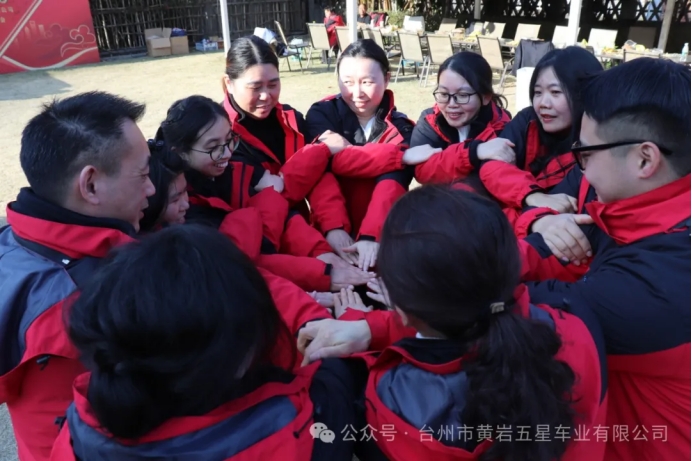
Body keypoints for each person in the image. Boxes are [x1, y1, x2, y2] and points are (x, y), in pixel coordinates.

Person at [298, 186, 607, 461]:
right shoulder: (576, 324)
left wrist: (358, 323)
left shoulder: (391, 396)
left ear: (401, 309)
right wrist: (371, 328)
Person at [50, 225, 357, 461]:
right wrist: (354, 322)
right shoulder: (301, 425)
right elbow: (338, 385)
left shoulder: (80, 428)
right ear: (235, 359)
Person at [519, 58, 690, 460]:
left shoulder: (661, 281)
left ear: (645, 160)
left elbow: (496, 309)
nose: (580, 166)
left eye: (585, 152)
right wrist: (538, 223)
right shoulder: (639, 214)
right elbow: (548, 249)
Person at [0, 92, 155, 461]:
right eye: (143, 174)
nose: (151, 188)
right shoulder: (95, 297)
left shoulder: (13, 241)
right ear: (90, 185)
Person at [158, 95, 372, 293]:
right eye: (213, 147)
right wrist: (322, 273)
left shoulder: (235, 171)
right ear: (180, 152)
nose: (227, 153)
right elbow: (240, 262)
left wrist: (319, 252)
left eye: (230, 140)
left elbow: (282, 214)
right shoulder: (179, 207)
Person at [305, 39, 441, 270]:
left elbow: (393, 181)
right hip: (327, 233)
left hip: (382, 237)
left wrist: (371, 235)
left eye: (367, 82)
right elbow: (325, 167)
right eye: (347, 82)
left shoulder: (402, 128)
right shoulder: (322, 114)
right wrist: (333, 228)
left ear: (386, 79)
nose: (357, 93)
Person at [476, 47, 603, 234]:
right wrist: (532, 195)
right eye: (537, 92)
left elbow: (559, 209)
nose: (543, 103)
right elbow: (491, 165)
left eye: (555, 92)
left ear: (584, 93)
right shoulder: (529, 121)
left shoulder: (596, 150)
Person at [409, 51, 512, 185]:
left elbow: (493, 180)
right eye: (444, 94)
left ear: (486, 97)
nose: (452, 104)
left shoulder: (503, 127)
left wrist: (444, 160)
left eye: (463, 95)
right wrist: (474, 152)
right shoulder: (430, 120)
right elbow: (422, 171)